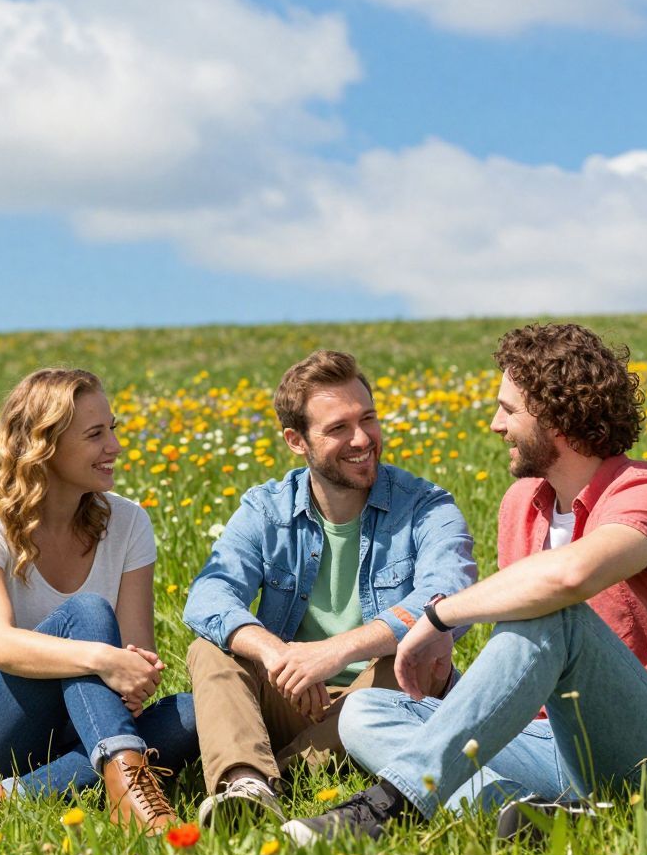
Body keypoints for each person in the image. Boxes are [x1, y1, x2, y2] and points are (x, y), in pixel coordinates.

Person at [284, 324, 647, 845]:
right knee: (368, 710)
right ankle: (534, 814)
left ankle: (391, 805)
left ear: (556, 415)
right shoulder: (521, 506)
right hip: (549, 741)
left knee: (554, 611)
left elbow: (568, 578)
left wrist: (440, 616)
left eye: (509, 409)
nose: (496, 424)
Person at [182, 350, 478, 829]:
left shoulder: (426, 507)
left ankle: (280, 772)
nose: (362, 439)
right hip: (297, 694)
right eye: (339, 428)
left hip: (389, 698)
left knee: (417, 656)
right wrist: (278, 656)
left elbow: (449, 595)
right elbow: (209, 597)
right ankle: (246, 787)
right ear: (296, 441)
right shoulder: (266, 509)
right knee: (211, 649)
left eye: (368, 419)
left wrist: (334, 653)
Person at [0, 368, 197, 832]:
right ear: (46, 445)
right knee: (86, 613)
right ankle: (129, 779)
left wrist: (134, 678)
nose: (115, 447)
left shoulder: (129, 522)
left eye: (113, 430)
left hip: (80, 727)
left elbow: (136, 654)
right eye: (95, 434)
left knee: (194, 715)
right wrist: (102, 659)